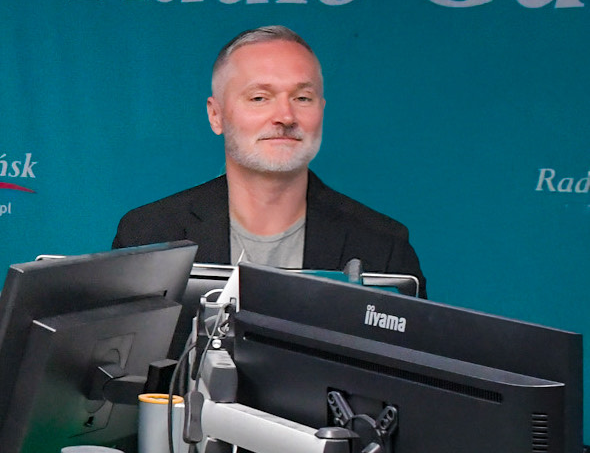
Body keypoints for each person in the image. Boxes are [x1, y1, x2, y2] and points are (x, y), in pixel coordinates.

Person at [113, 26, 425, 295]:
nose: (286, 116)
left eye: (302, 98)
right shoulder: (148, 236)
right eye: (260, 97)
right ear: (215, 115)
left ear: (322, 110)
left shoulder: (383, 246)